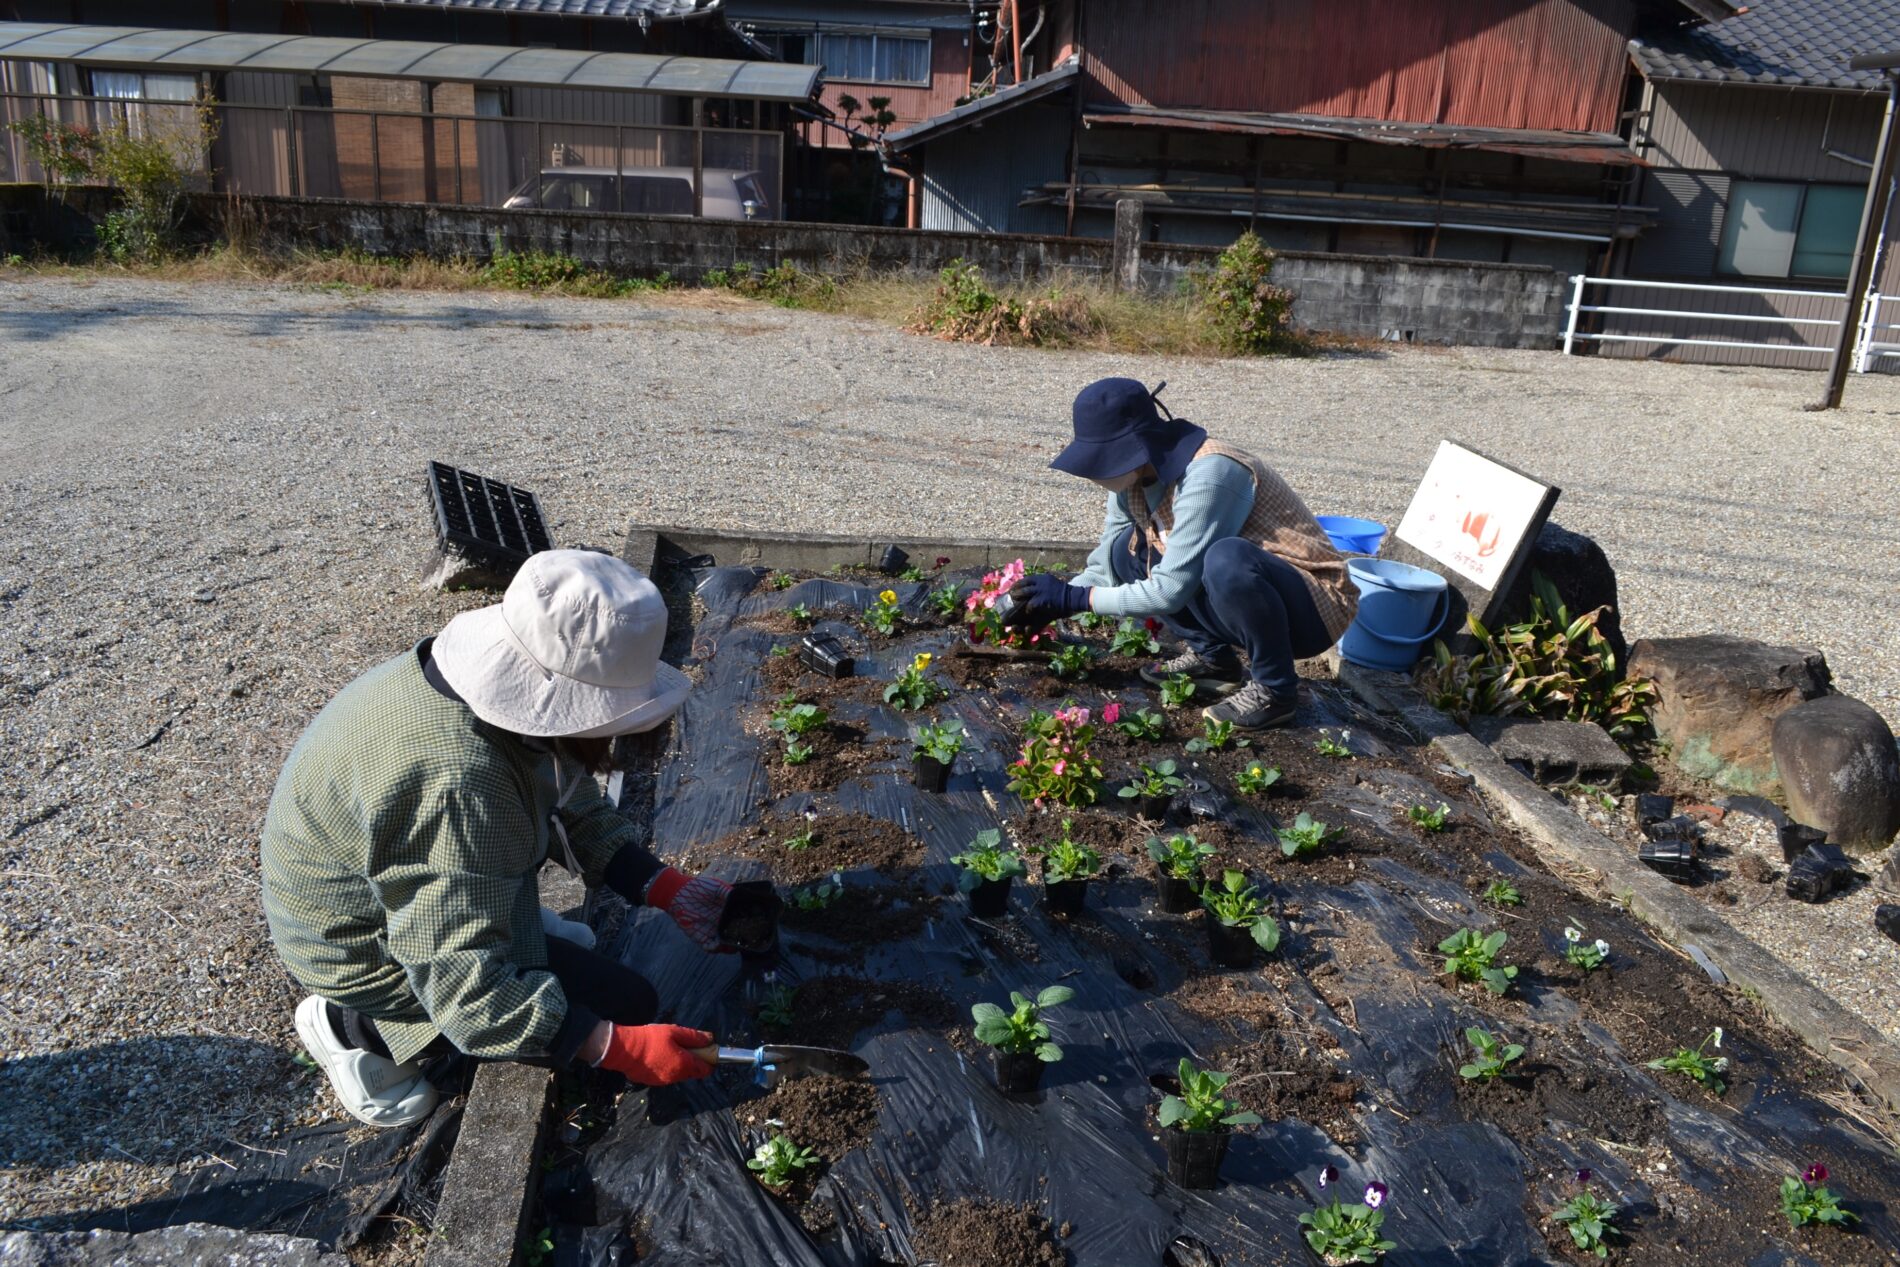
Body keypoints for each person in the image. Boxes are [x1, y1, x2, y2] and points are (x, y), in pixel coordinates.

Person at [261, 550, 776, 1127]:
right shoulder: (460, 787)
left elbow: (565, 794)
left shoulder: (475, 690)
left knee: (593, 986)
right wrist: (615, 1046)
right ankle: (347, 1027)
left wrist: (665, 887)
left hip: (424, 885)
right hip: (363, 943)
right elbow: (465, 991)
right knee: (629, 1007)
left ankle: (513, 930)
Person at [1003, 377, 1357, 730]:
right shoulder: (1131, 480)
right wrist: (1050, 604)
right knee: (1126, 549)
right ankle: (1213, 661)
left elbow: (1169, 591)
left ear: (1135, 446)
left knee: (1227, 559)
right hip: (1254, 596)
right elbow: (1105, 567)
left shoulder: (1211, 473)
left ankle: (1275, 691)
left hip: (1313, 607)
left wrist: (1073, 598)